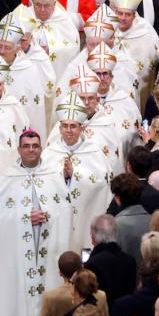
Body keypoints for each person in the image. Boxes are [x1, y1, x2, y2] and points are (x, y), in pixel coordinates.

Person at [0, 131, 72, 316]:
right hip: (18, 247)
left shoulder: (53, 175)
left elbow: (66, 209)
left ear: (41, 148)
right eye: (26, 146)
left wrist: (48, 215)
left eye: (35, 146)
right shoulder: (7, 177)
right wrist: (25, 218)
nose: (31, 150)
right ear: (19, 149)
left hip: (47, 243)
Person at [44, 92, 113, 250]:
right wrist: (61, 175)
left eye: (73, 126)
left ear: (81, 128)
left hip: (85, 216)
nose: (69, 131)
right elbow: (42, 184)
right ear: (59, 128)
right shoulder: (49, 152)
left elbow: (103, 181)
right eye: (65, 126)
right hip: (57, 218)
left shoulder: (93, 152)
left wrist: (75, 175)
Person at [108, 0, 159, 107]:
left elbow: (152, 64)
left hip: (139, 89)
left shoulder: (146, 31)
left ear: (134, 14)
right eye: (120, 13)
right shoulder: (107, 29)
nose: (123, 18)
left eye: (127, 14)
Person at [26, 0, 80, 77]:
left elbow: (73, 48)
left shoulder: (64, 21)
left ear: (54, 4)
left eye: (46, 6)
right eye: (38, 5)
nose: (42, 10)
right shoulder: (24, 18)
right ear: (32, 2)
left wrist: (51, 49)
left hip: (56, 75)